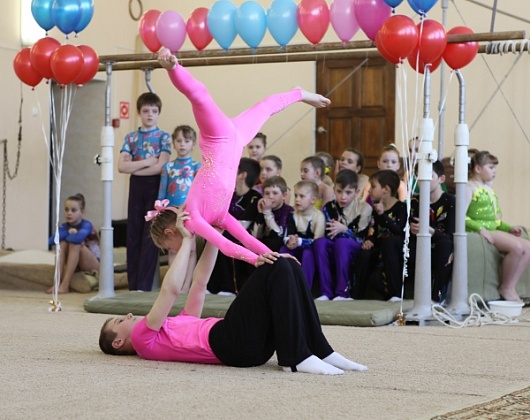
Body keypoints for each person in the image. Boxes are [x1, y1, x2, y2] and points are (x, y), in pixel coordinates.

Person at [99, 208, 367, 376]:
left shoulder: (175, 326)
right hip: (231, 344)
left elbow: (200, 282)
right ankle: (295, 358)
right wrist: (188, 240)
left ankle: (319, 348)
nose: (128, 315)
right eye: (120, 321)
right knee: (273, 267)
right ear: (119, 342)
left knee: (287, 265)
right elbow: (170, 290)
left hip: (249, 348)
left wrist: (215, 236)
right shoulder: (144, 339)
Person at [153, 48, 330, 266]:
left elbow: (224, 246)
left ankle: (172, 67)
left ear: (170, 233)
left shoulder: (193, 218)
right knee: (266, 107)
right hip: (236, 141)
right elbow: (244, 238)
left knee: (199, 96)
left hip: (216, 138)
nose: (174, 251)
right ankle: (298, 93)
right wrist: (273, 255)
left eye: (170, 247)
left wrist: (256, 260)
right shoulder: (217, 217)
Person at [118, 91, 171, 291]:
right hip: (136, 186)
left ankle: (144, 286)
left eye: (154, 111)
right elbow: (122, 167)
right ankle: (133, 285)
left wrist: (135, 167)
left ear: (159, 113)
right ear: (139, 112)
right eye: (146, 110)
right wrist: (148, 161)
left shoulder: (164, 137)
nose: (150, 114)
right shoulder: (131, 137)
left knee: (150, 234)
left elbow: (161, 166)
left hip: (155, 185)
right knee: (133, 232)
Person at [465, 150, 530, 303]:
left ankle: (511, 285)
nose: (494, 172)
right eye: (491, 168)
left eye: (495, 168)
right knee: (516, 248)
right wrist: (480, 229)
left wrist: (509, 228)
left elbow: (496, 221)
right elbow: (461, 216)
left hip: (491, 228)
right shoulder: (469, 188)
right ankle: (505, 287)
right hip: (478, 228)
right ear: (478, 168)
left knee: (527, 247)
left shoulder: (489, 190)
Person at [313, 170, 372, 301]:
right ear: (334, 190)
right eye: (339, 191)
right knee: (319, 243)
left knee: (342, 243)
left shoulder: (365, 208)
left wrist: (345, 230)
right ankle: (326, 292)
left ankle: (343, 292)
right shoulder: (329, 207)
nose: (343, 197)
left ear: (356, 192)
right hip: (335, 243)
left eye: (348, 192)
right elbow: (328, 233)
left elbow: (361, 238)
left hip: (354, 246)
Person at [209, 158, 262, 295]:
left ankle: (228, 287)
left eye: (233, 169)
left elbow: (244, 225)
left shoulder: (254, 197)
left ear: (242, 175)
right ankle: (212, 285)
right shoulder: (229, 196)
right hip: (225, 233)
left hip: (244, 238)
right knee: (211, 235)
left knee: (223, 237)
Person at [354, 170, 408, 301]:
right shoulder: (375, 209)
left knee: (389, 243)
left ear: (386, 189)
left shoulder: (401, 208)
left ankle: (395, 294)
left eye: (373, 187)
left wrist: (383, 215)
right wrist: (369, 240)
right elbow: (373, 229)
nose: (369, 190)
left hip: (394, 250)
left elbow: (399, 230)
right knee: (365, 253)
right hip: (379, 249)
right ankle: (356, 295)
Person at [408, 160, 455, 303]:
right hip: (417, 246)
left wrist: (431, 231)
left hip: (440, 247)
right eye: (419, 177)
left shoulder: (450, 201)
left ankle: (437, 297)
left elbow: (451, 235)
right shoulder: (414, 201)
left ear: (441, 179)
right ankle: (398, 295)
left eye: (429, 176)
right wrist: (411, 229)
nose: (423, 181)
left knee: (446, 245)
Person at [158, 124, 201, 267]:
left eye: (186, 141)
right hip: (171, 212)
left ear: (193, 144)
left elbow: (199, 192)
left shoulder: (196, 166)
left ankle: (188, 280)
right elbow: (162, 191)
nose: (182, 144)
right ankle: (174, 277)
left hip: (189, 212)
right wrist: (159, 210)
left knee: (191, 248)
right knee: (173, 248)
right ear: (173, 143)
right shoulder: (168, 167)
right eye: (179, 141)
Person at [47, 193, 100, 294]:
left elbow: (77, 239)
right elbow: (50, 241)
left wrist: (69, 235)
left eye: (73, 210)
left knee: (75, 244)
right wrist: (68, 232)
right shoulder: (64, 226)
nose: (69, 213)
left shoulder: (87, 225)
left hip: (94, 264)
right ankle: (57, 283)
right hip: (77, 263)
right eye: (66, 209)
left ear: (82, 212)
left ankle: (65, 285)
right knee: (62, 243)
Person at [279, 180, 326, 289]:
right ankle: (283, 286)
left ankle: (304, 288)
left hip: (310, 249)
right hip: (295, 247)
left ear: (313, 200)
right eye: (296, 196)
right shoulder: (292, 215)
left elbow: (318, 241)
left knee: (308, 254)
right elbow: (286, 236)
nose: (297, 199)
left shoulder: (319, 216)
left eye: (302, 196)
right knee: (283, 250)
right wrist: (289, 241)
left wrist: (299, 241)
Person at [253, 176, 294, 252]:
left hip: (279, 249)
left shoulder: (289, 211)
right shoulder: (263, 208)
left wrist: (267, 212)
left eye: (275, 193)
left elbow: (278, 235)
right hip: (263, 249)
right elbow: (256, 236)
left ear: (284, 196)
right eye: (267, 193)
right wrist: (260, 213)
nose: (270, 196)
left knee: (273, 242)